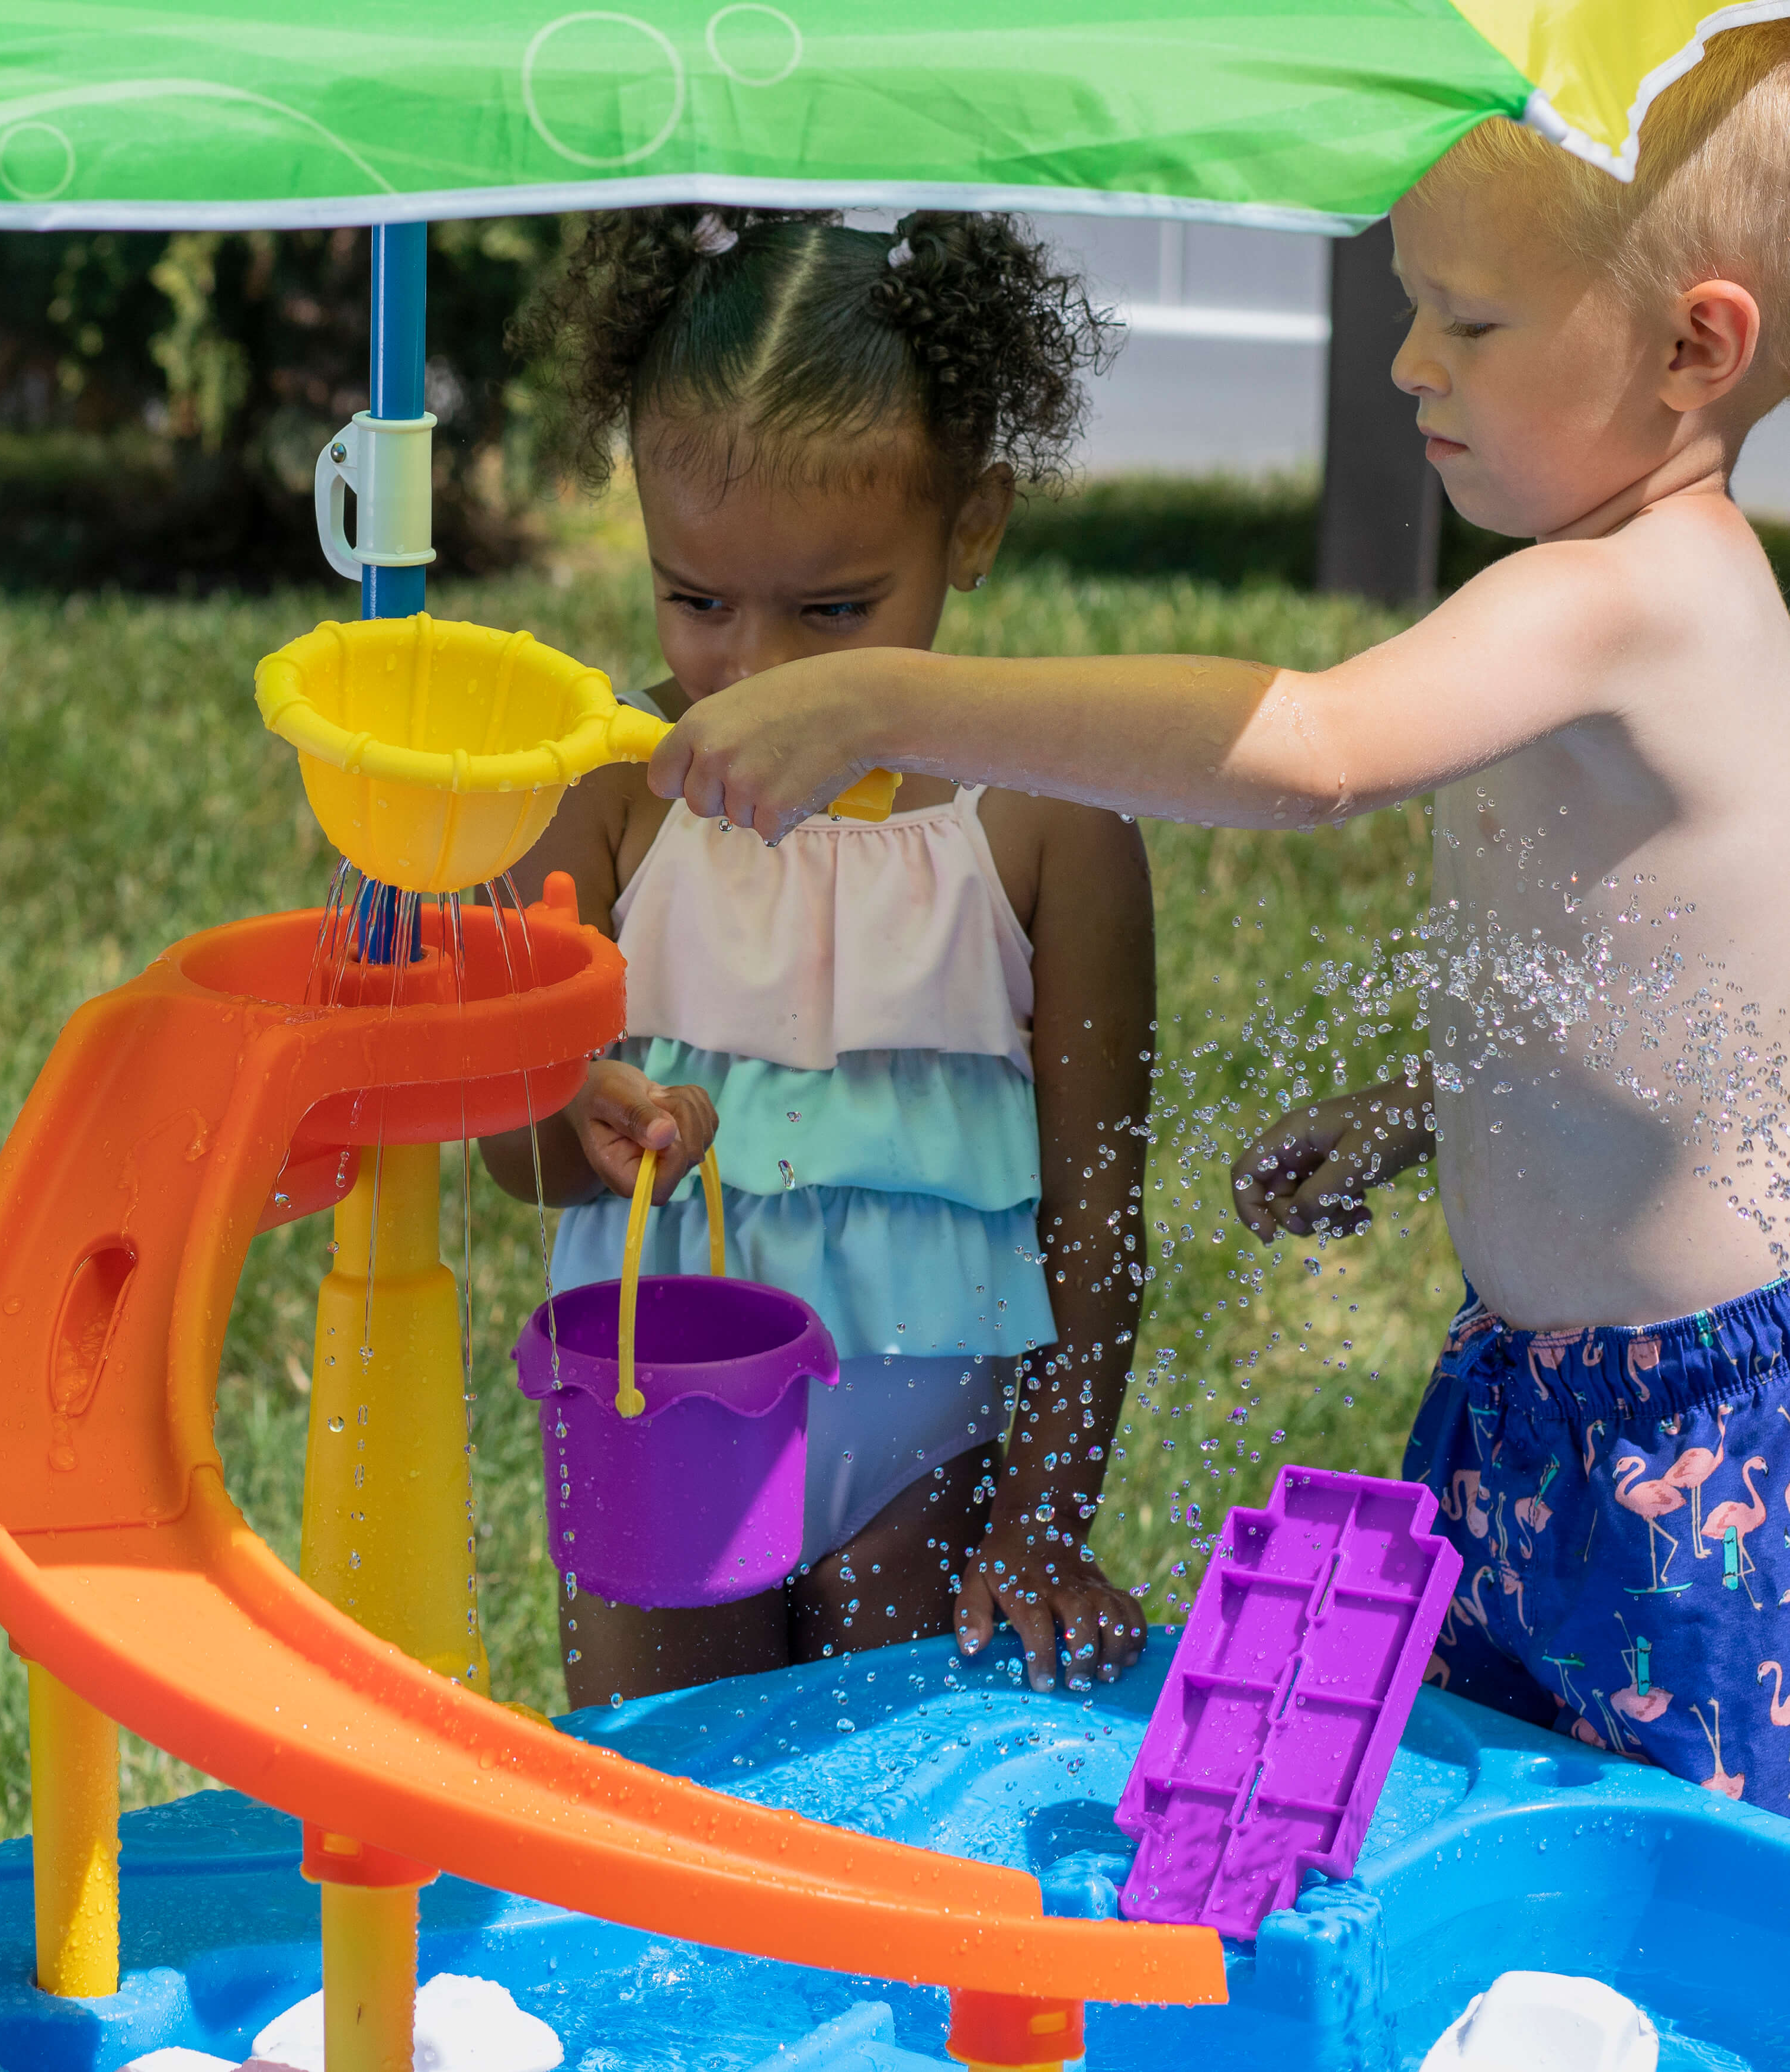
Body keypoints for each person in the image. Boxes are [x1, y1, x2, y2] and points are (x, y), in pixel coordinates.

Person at [641, 31, 1790, 1812]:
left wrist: (887, 704)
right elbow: (1655, 971)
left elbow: (1313, 747)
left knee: (1688, 1871)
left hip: (1690, 1430)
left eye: (1466, 323)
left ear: (1689, 348)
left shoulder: (1632, 597)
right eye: (1410, 304)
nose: (1410, 356)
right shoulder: (1590, 596)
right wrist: (1426, 1109)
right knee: (1512, 1814)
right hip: (1537, 1385)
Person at [481, 207, 1153, 1707]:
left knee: (883, 1847)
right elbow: (519, 1164)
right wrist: (553, 1098)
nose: (759, 670)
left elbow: (1099, 1218)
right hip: (654, 1429)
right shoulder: (603, 787)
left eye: (833, 611)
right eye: (697, 599)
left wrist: (1042, 1521)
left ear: (969, 526)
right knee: (662, 1826)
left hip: (933, 1460)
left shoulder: (1045, 822)